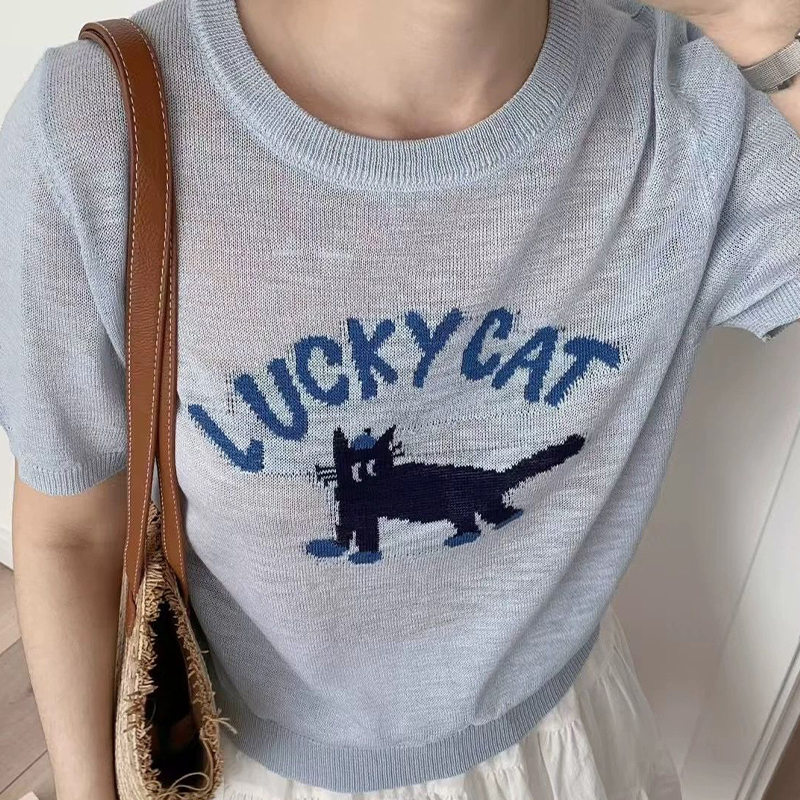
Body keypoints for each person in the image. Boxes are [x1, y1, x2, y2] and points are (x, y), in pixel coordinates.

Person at [1, 0, 799, 796]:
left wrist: (760, 28)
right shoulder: (101, 126)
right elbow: (72, 534)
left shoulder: (688, 112)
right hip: (236, 753)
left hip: (556, 740)